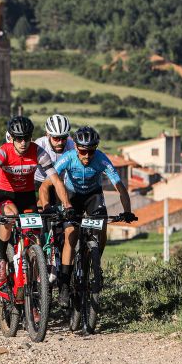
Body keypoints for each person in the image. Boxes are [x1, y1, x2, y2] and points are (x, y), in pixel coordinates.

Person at [0, 117, 73, 300]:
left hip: (27, 197)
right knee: (11, 216)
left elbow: (55, 180)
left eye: (26, 138)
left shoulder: (38, 152)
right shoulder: (2, 153)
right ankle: (0, 258)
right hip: (4, 196)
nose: (23, 143)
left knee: (34, 235)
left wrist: (67, 205)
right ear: (12, 138)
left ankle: (34, 277)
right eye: (18, 138)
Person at [53, 126, 137, 309]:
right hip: (72, 196)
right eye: (83, 151)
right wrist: (57, 203)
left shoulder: (101, 159)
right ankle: (65, 285)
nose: (87, 156)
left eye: (91, 151)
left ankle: (95, 262)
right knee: (71, 234)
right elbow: (51, 179)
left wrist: (127, 210)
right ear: (75, 147)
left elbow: (120, 186)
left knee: (102, 226)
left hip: (93, 196)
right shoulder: (68, 158)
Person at [35, 114, 76, 207]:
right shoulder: (39, 145)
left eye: (64, 138)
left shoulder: (71, 145)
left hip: (59, 183)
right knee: (40, 207)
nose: (60, 142)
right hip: (38, 181)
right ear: (47, 134)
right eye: (56, 138)